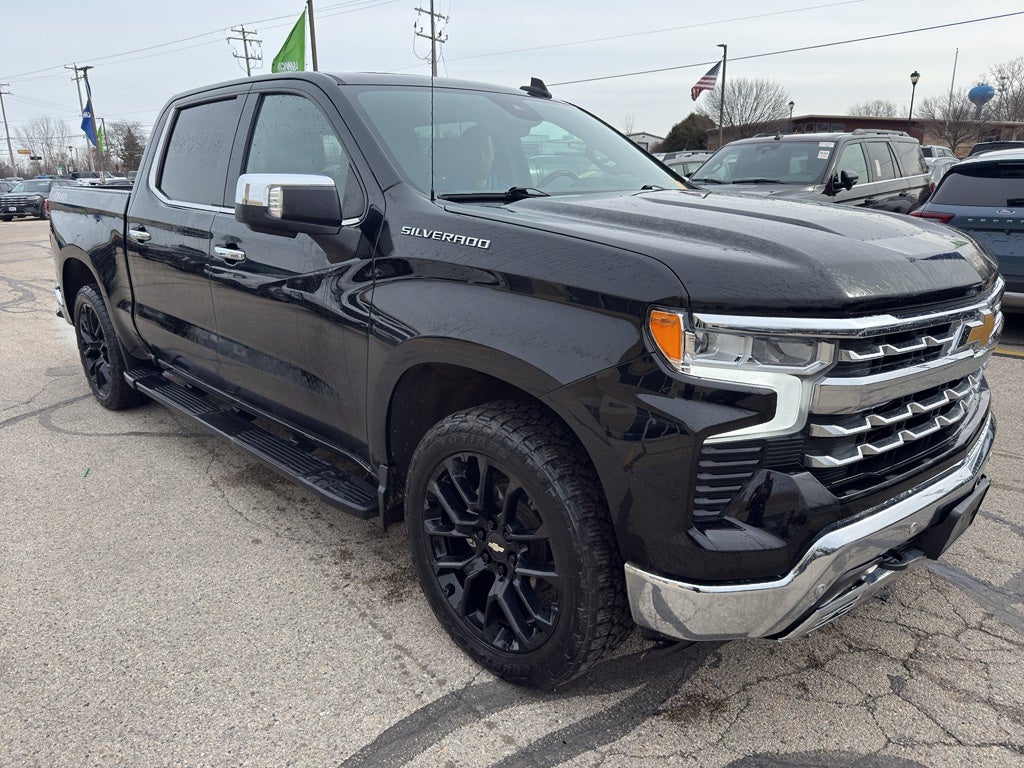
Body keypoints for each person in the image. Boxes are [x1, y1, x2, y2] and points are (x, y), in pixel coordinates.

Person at [456, 124, 503, 191]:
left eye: (486, 148)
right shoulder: (444, 192)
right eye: (474, 150)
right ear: (464, 154)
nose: (481, 157)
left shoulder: (508, 194)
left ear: (494, 152)